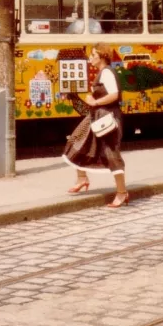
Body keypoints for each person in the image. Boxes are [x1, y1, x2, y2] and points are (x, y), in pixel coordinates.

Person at [63, 42, 128, 208]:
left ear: (102, 56)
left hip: (107, 117)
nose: (90, 58)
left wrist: (95, 101)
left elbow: (114, 95)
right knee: (77, 141)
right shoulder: (102, 72)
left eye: (93, 55)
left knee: (110, 152)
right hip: (97, 115)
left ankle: (122, 193)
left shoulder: (107, 72)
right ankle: (82, 178)